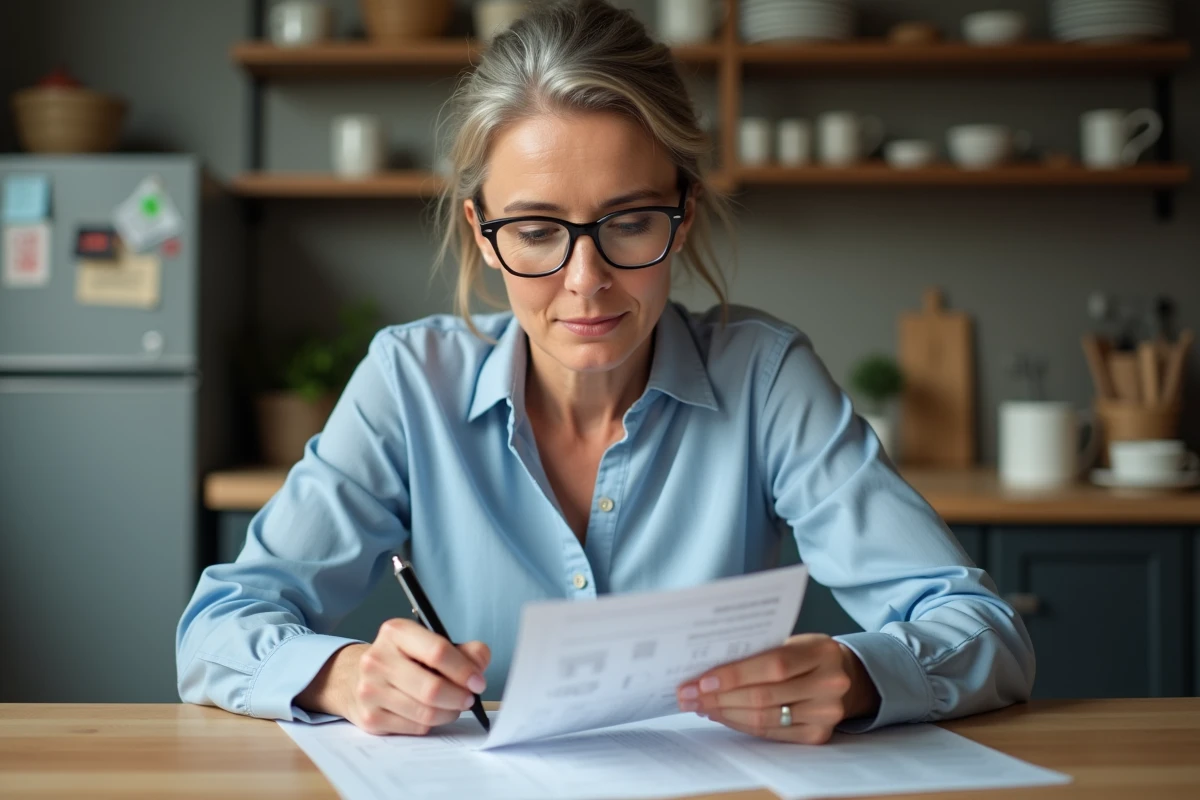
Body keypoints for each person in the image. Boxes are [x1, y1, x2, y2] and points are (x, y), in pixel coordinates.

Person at [177, 0, 1034, 745]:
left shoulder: (767, 378)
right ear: (483, 234)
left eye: (628, 223)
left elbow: (985, 631)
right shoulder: (409, 381)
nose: (586, 280)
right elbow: (218, 628)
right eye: (536, 230)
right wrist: (343, 675)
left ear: (683, 215)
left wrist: (858, 675)